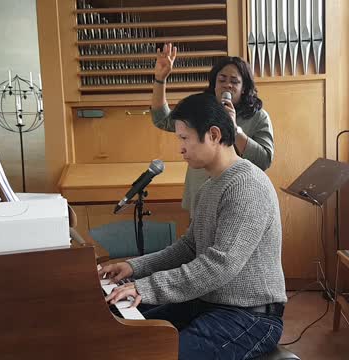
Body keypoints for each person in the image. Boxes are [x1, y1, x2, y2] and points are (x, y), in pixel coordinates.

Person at [99, 93, 286, 360]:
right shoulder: (210, 186)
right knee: (129, 330)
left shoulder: (247, 186)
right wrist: (134, 267)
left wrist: (147, 287)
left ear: (213, 135)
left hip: (251, 316)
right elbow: (189, 247)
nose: (181, 148)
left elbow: (219, 264)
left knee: (157, 353)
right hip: (209, 302)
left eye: (184, 138)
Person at [150, 43, 274, 216]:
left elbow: (264, 160)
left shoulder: (259, 117)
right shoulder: (201, 110)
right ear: (214, 84)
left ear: (244, 88)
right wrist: (160, 80)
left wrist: (235, 129)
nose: (227, 86)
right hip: (199, 195)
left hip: (236, 197)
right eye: (221, 80)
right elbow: (161, 119)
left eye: (234, 82)